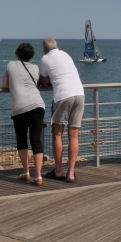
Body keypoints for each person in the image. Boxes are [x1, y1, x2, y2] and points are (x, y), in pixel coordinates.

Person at [38, 38, 84, 183]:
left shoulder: (45, 59)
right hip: (79, 94)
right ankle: (71, 173)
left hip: (63, 96)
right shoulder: (66, 55)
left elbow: (44, 81)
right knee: (74, 135)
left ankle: (58, 171)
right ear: (58, 46)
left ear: (44, 50)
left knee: (57, 134)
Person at [2, 43, 46, 186]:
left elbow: (5, 85)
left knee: (22, 140)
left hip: (20, 107)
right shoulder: (35, 68)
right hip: (38, 105)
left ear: (17, 54)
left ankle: (26, 172)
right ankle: (38, 176)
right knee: (36, 140)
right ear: (31, 56)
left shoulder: (10, 65)